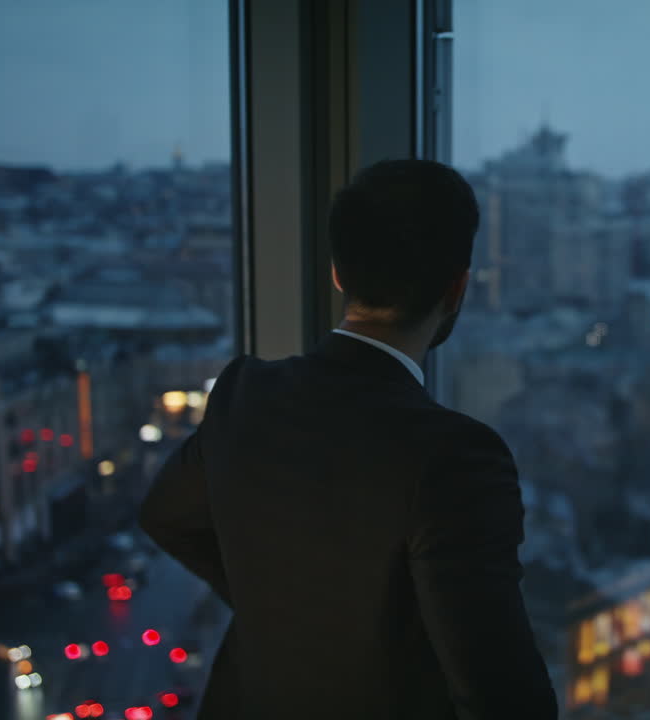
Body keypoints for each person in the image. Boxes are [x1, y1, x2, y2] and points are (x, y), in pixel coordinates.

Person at [139, 159, 557, 719]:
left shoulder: (246, 393)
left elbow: (165, 515)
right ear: (457, 287)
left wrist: (270, 605)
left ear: (338, 272)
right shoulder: (456, 457)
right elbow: (504, 696)